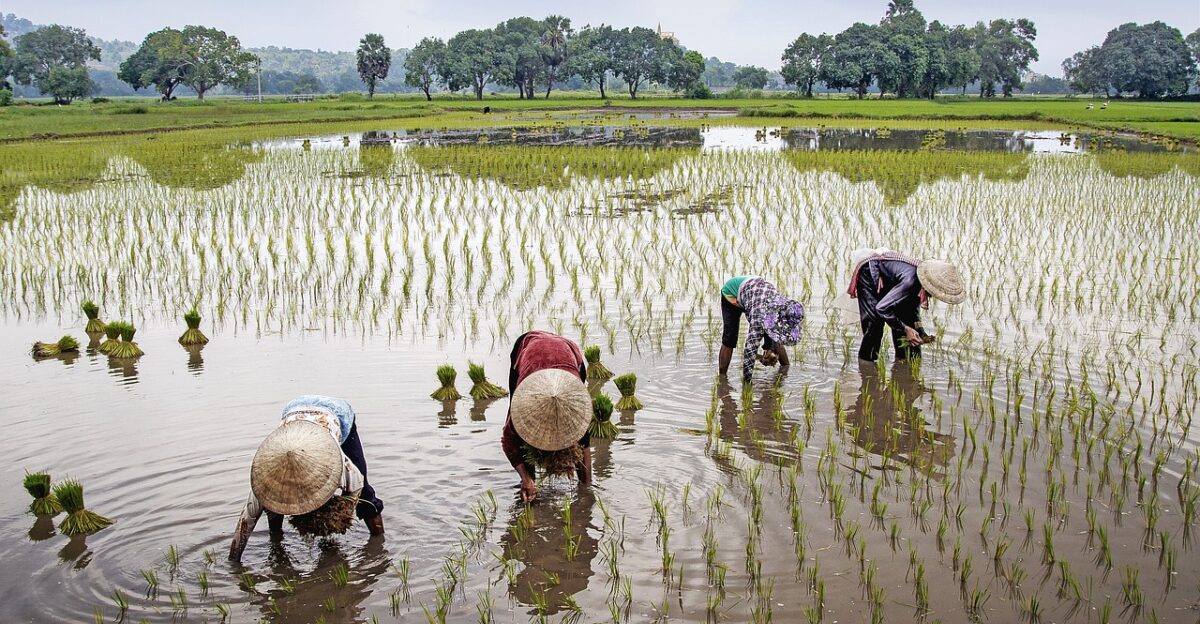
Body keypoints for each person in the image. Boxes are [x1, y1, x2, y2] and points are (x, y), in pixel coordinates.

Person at [229, 395, 384, 561]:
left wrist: (337, 516)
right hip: (293, 411)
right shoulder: (264, 483)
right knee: (273, 506)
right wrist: (234, 560)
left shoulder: (341, 466)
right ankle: (276, 543)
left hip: (337, 413)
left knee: (366, 496)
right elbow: (245, 525)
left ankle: (379, 546)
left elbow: (356, 489)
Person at [501, 330, 593, 503]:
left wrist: (587, 491)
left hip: (568, 351)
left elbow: (584, 442)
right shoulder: (523, 405)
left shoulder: (578, 407)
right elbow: (509, 442)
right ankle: (530, 486)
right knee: (521, 436)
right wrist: (526, 478)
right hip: (529, 348)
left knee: (579, 433)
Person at [848, 250, 965, 362]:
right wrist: (906, 328)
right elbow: (881, 308)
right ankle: (866, 366)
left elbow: (912, 312)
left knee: (906, 321)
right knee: (874, 325)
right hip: (870, 273)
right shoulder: (911, 281)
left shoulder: (919, 283)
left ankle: (904, 362)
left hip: (894, 280)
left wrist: (920, 331)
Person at [718, 276, 805, 381]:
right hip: (731, 294)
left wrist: (771, 349)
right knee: (729, 338)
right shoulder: (759, 317)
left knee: (775, 337)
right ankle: (722, 378)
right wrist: (747, 386)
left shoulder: (782, 307)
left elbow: (776, 335)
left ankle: (785, 370)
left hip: (755, 293)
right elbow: (749, 351)